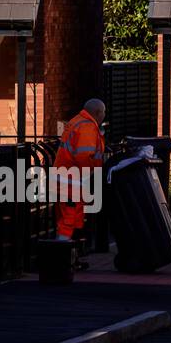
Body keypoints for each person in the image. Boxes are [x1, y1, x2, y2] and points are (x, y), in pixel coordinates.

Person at [53, 100, 106, 260]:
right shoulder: (87, 127)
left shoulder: (77, 121)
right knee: (68, 222)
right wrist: (93, 173)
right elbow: (83, 156)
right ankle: (61, 258)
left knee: (73, 221)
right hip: (71, 183)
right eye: (104, 112)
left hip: (68, 181)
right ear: (97, 113)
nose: (104, 116)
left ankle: (71, 257)